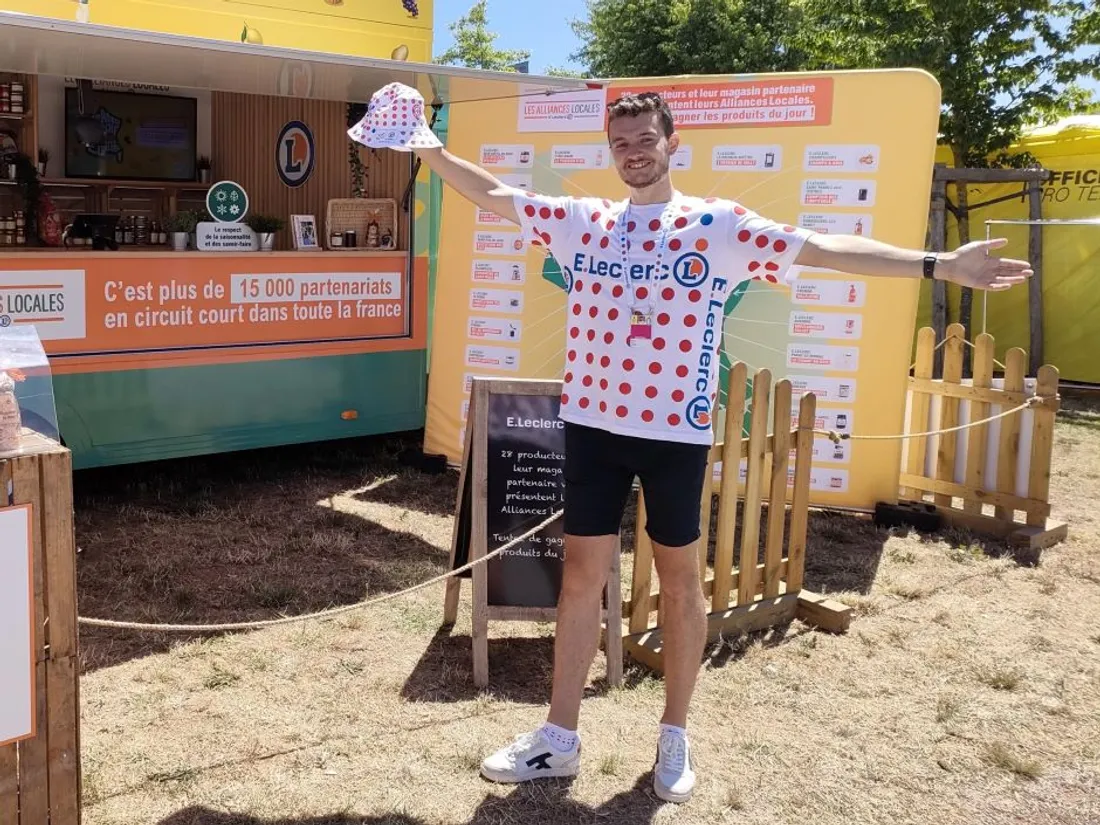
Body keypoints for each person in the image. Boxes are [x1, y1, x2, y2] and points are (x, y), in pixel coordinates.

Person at [350, 83, 1032, 804]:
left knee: (680, 582)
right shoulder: (584, 221)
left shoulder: (718, 225)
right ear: (610, 152)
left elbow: (826, 248)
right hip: (591, 425)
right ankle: (560, 736)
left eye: (646, 140)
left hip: (673, 433)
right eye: (621, 144)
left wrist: (937, 264)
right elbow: (493, 194)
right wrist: (427, 145)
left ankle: (674, 731)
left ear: (673, 143)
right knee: (580, 579)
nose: (634, 153)